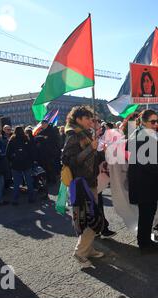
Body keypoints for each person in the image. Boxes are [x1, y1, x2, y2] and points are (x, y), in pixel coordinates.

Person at [62, 106, 104, 268]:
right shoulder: (72, 136)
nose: (91, 122)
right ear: (78, 119)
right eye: (88, 119)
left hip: (90, 180)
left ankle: (88, 248)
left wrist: (100, 152)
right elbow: (69, 161)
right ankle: (80, 252)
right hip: (81, 182)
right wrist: (90, 149)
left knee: (89, 217)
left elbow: (91, 157)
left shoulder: (85, 134)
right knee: (90, 217)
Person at [127, 110, 158, 253]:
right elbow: (146, 163)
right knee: (146, 213)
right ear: (144, 121)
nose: (156, 124)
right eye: (153, 122)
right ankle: (144, 243)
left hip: (147, 180)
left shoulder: (144, 133)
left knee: (148, 212)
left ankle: (145, 240)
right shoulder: (142, 135)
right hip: (144, 181)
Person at [6, 126, 36, 205]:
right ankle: (31, 198)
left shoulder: (12, 140)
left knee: (16, 183)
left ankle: (15, 200)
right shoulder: (26, 139)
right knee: (29, 181)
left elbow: (7, 153)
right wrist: (31, 161)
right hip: (27, 163)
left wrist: (12, 160)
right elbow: (32, 151)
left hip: (16, 164)